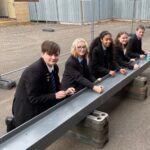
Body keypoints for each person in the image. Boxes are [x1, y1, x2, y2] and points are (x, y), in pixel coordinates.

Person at [8, 40, 75, 130]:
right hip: (27, 110)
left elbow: (56, 85)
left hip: (41, 106)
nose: (53, 57)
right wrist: (55, 96)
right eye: (50, 54)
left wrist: (65, 91)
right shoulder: (34, 71)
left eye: (56, 55)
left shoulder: (54, 67)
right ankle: (11, 124)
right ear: (42, 54)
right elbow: (34, 99)